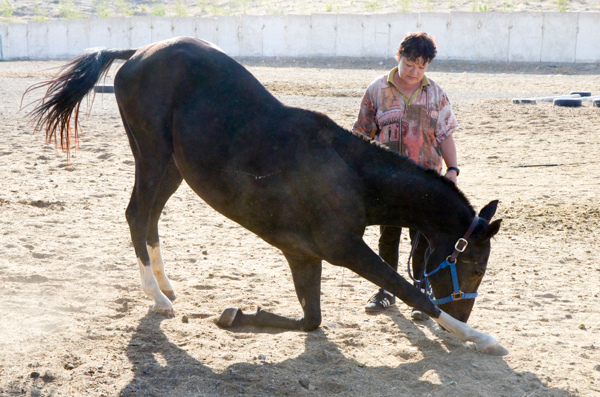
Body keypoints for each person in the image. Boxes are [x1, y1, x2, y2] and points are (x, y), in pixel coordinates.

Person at [352, 32, 460, 319]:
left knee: (421, 237)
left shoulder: (436, 93)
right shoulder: (376, 90)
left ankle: (420, 291)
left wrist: (452, 170)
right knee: (389, 236)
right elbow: (361, 135)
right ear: (398, 56)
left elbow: (445, 134)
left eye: (421, 67)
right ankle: (386, 290)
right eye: (410, 64)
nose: (414, 72)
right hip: (385, 182)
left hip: (426, 180)